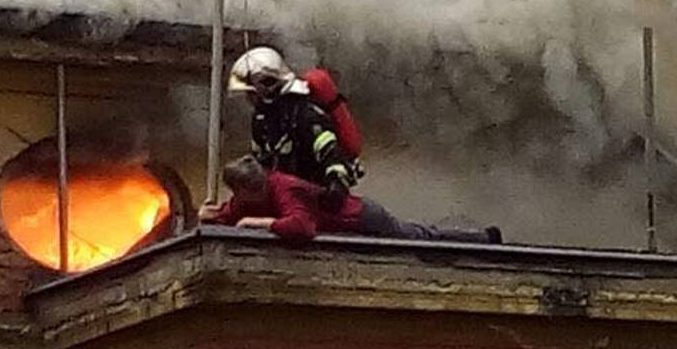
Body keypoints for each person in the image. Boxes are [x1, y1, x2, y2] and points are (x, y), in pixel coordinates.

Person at [200, 155, 501, 245]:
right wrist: (211, 217)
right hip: (354, 225)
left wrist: (266, 223)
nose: (237, 199)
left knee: (418, 239)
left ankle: (480, 239)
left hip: (363, 218)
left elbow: (302, 227)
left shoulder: (284, 188)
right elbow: (233, 213)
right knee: (417, 236)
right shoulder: (252, 194)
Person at [228, 46, 357, 208]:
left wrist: (335, 187)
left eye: (252, 94)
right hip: (284, 200)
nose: (249, 100)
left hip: (315, 201)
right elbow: (260, 162)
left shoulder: (305, 115)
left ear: (268, 86)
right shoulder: (261, 120)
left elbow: (332, 155)